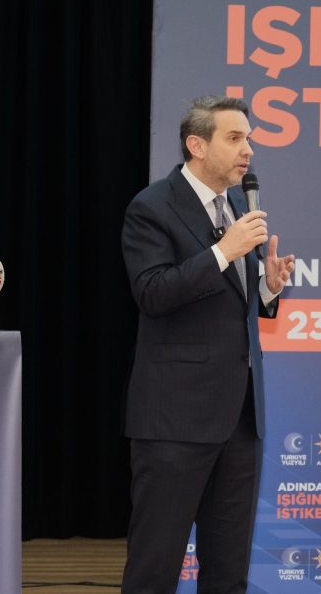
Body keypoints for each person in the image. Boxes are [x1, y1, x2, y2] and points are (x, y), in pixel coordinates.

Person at [120, 95, 295, 593]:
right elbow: (152, 293)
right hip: (175, 421)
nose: (248, 150)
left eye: (249, 139)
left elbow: (227, 305)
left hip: (239, 420)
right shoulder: (152, 207)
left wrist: (267, 289)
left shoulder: (235, 205)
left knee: (227, 570)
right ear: (197, 145)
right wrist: (223, 251)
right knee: (155, 568)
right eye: (235, 138)